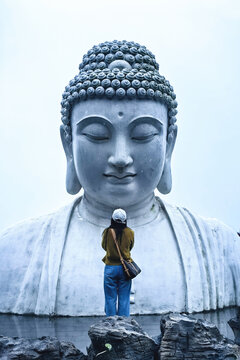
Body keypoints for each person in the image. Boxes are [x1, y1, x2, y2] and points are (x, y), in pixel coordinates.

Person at [0, 40, 240, 316]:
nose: (120, 157)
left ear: (168, 143)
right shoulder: (13, 253)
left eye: (143, 135)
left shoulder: (224, 250)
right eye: (97, 135)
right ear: (68, 145)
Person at [102, 208, 134, 317]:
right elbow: (130, 247)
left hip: (110, 267)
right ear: (125, 220)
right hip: (125, 268)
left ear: (112, 219)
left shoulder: (107, 231)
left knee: (110, 297)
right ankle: (124, 323)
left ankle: (111, 323)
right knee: (124, 297)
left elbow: (103, 246)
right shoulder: (130, 232)